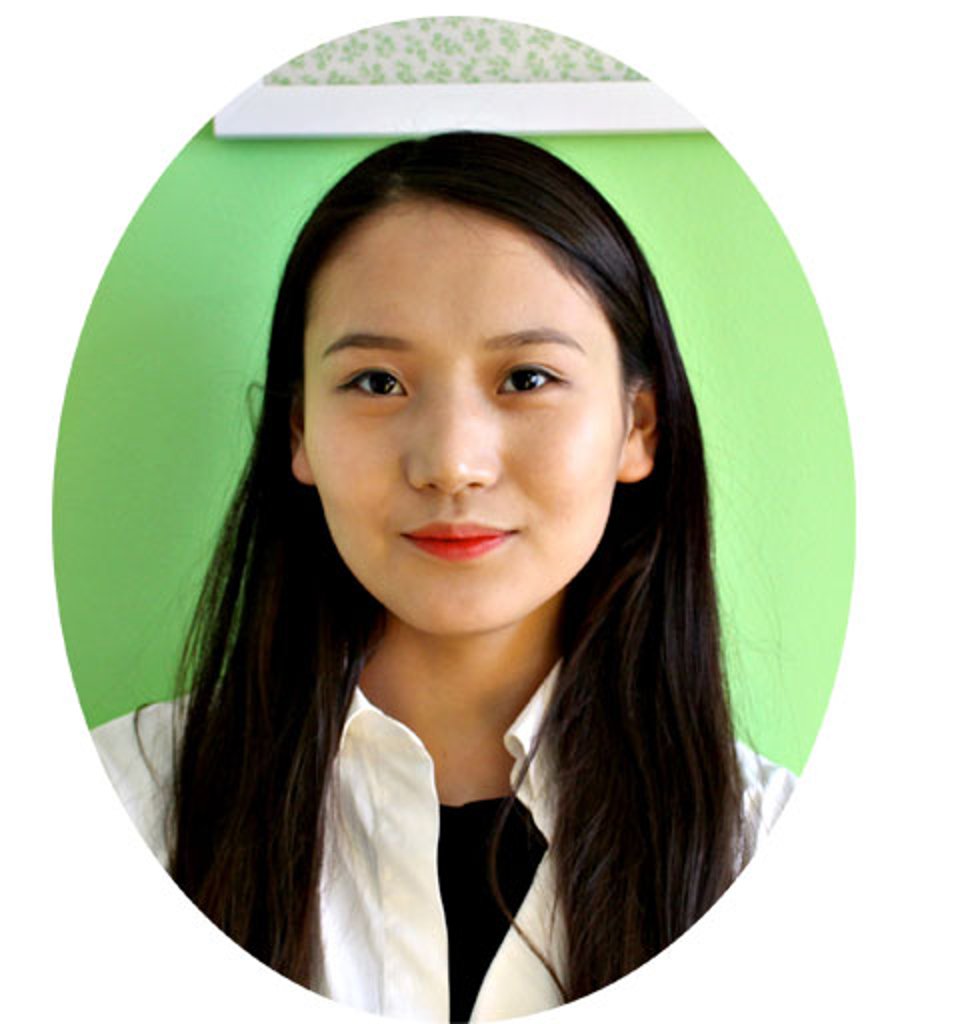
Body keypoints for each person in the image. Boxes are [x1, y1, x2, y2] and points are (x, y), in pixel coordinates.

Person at [92, 131, 795, 1021]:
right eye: (377, 382)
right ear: (298, 432)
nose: (452, 463)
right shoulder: (123, 803)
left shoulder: (764, 849)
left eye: (527, 378)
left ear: (638, 427)